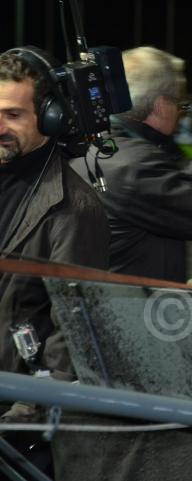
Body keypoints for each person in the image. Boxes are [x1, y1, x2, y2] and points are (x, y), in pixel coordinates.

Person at [0, 46, 109, 471]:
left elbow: (74, 337)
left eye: (13, 115)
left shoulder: (75, 210)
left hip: (12, 425)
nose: (0, 127)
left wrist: (20, 426)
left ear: (49, 117)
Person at [70, 46, 192, 282]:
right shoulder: (133, 165)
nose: (181, 113)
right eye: (179, 103)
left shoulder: (103, 147)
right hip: (131, 309)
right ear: (160, 105)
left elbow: (166, 195)